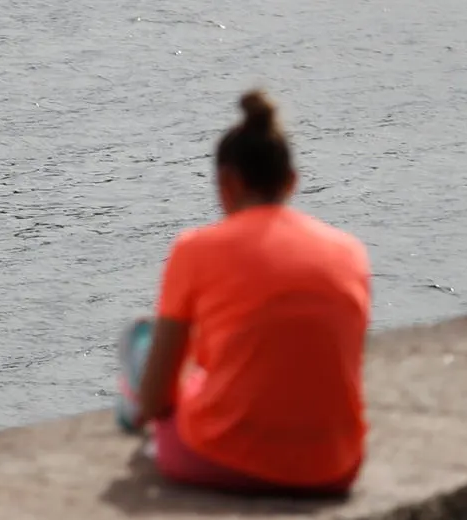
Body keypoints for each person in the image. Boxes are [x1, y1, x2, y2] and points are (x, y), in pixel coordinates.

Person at [125, 89, 372, 495]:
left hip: (226, 460)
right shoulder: (350, 251)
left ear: (227, 182)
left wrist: (149, 404)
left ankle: (129, 392)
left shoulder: (195, 249)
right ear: (292, 182)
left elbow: (156, 400)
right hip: (335, 466)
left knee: (148, 364)